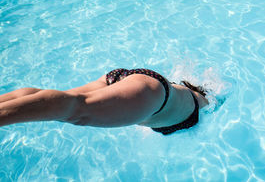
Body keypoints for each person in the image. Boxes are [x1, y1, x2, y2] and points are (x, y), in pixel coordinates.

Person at [0, 68, 209, 135]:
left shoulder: (185, 94)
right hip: (149, 95)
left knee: (55, 98)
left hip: (129, 80)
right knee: (76, 110)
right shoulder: (204, 104)